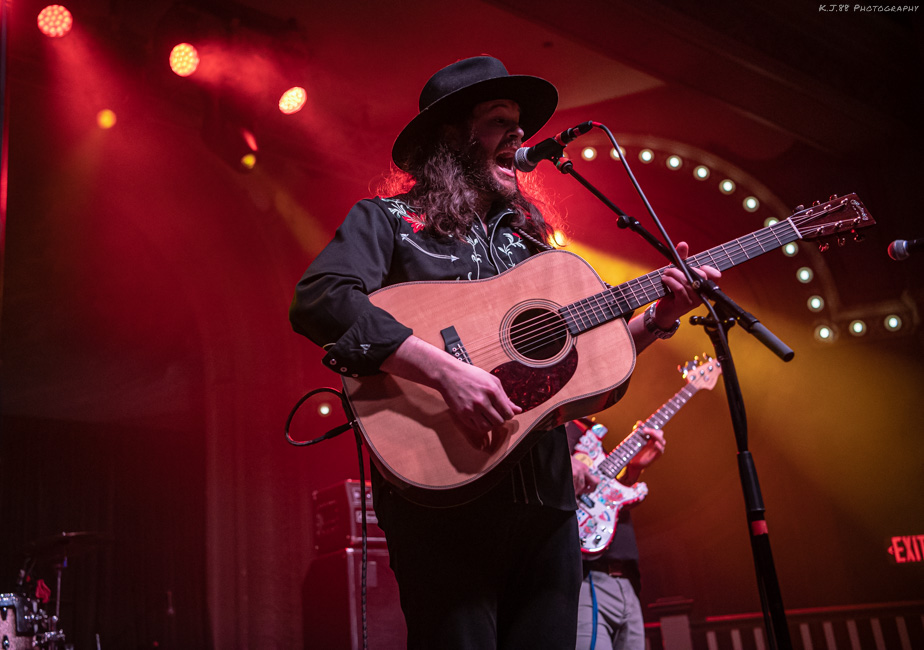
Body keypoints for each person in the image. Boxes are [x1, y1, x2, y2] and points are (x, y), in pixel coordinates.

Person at [289, 55, 719, 649]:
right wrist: (445, 373)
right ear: (450, 139)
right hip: (442, 502)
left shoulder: (531, 245)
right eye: (499, 122)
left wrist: (660, 320)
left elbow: (585, 366)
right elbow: (320, 299)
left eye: (520, 126)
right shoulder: (388, 222)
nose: (520, 137)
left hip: (547, 504)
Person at [566, 418, 667, 650]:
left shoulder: (592, 430)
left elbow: (602, 497)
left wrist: (632, 471)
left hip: (627, 582)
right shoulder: (554, 425)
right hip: (587, 578)